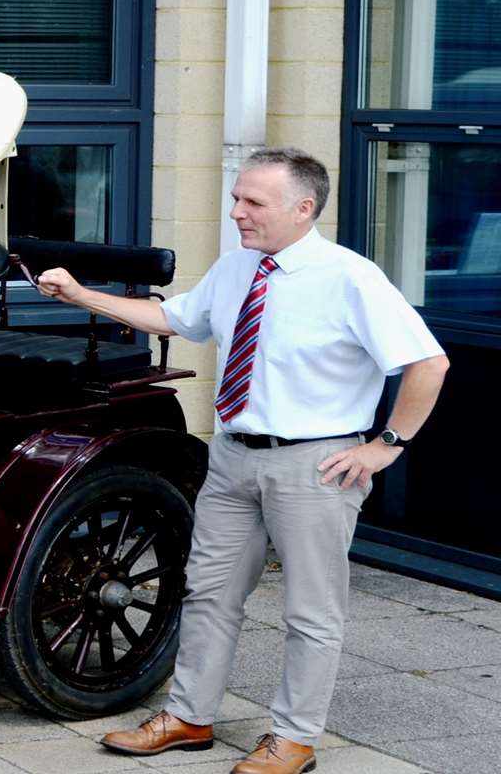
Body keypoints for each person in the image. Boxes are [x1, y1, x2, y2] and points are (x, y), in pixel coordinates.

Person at [37, 148, 449, 774]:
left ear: (303, 208)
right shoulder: (237, 268)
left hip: (314, 466)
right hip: (231, 461)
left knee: (311, 611)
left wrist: (385, 446)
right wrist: (78, 295)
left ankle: (294, 738)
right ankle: (189, 717)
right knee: (206, 593)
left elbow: (429, 363)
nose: (236, 213)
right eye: (237, 199)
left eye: (253, 202)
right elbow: (173, 318)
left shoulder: (351, 278)